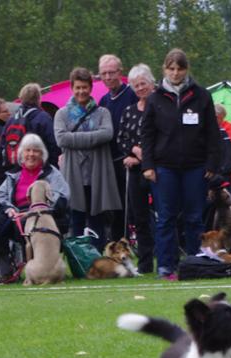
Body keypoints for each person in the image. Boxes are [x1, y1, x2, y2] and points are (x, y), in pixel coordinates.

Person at [141, 49, 220, 277]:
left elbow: (213, 133)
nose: (175, 73)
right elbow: (147, 134)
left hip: (196, 168)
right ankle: (166, 265)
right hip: (164, 168)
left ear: (186, 69)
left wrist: (212, 165)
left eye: (180, 68)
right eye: (171, 68)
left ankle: (196, 263)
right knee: (165, 218)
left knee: (194, 218)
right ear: (164, 69)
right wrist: (148, 165)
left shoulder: (202, 96)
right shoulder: (155, 99)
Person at [0, 133, 69, 283]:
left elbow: (62, 197)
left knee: (26, 226)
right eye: (27, 150)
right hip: (16, 214)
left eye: (36, 151)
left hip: (42, 216)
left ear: (43, 154)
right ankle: (5, 272)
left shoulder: (52, 173)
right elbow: (1, 196)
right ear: (21, 154)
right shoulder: (13, 174)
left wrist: (37, 210)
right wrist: (9, 209)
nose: (31, 154)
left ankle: (39, 270)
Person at [54, 67, 121, 244]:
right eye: (78, 87)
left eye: (85, 87)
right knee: (76, 217)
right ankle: (79, 258)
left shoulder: (102, 113)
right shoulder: (62, 114)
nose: (81, 91)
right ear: (72, 88)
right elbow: (61, 139)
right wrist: (93, 138)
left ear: (90, 88)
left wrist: (74, 139)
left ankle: (97, 257)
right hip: (74, 173)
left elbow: (107, 134)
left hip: (97, 171)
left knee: (97, 217)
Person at [117, 63, 157, 274]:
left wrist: (143, 156)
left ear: (151, 83)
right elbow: (121, 138)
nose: (140, 88)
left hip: (158, 170)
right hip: (134, 173)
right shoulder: (129, 112)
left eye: (143, 84)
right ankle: (145, 263)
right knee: (139, 219)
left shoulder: (161, 107)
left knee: (163, 215)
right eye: (135, 85)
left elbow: (166, 138)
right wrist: (133, 151)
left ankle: (169, 259)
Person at [98, 54, 135, 241]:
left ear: (120, 72)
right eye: (103, 73)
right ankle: (117, 243)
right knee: (114, 208)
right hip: (110, 161)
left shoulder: (132, 95)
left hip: (130, 160)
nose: (107, 77)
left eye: (111, 73)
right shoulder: (103, 101)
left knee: (134, 207)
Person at [4, 84, 59, 172]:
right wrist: (52, 167)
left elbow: (3, 142)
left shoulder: (12, 118)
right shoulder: (43, 117)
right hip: (39, 168)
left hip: (16, 167)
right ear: (38, 98)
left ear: (21, 98)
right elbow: (53, 144)